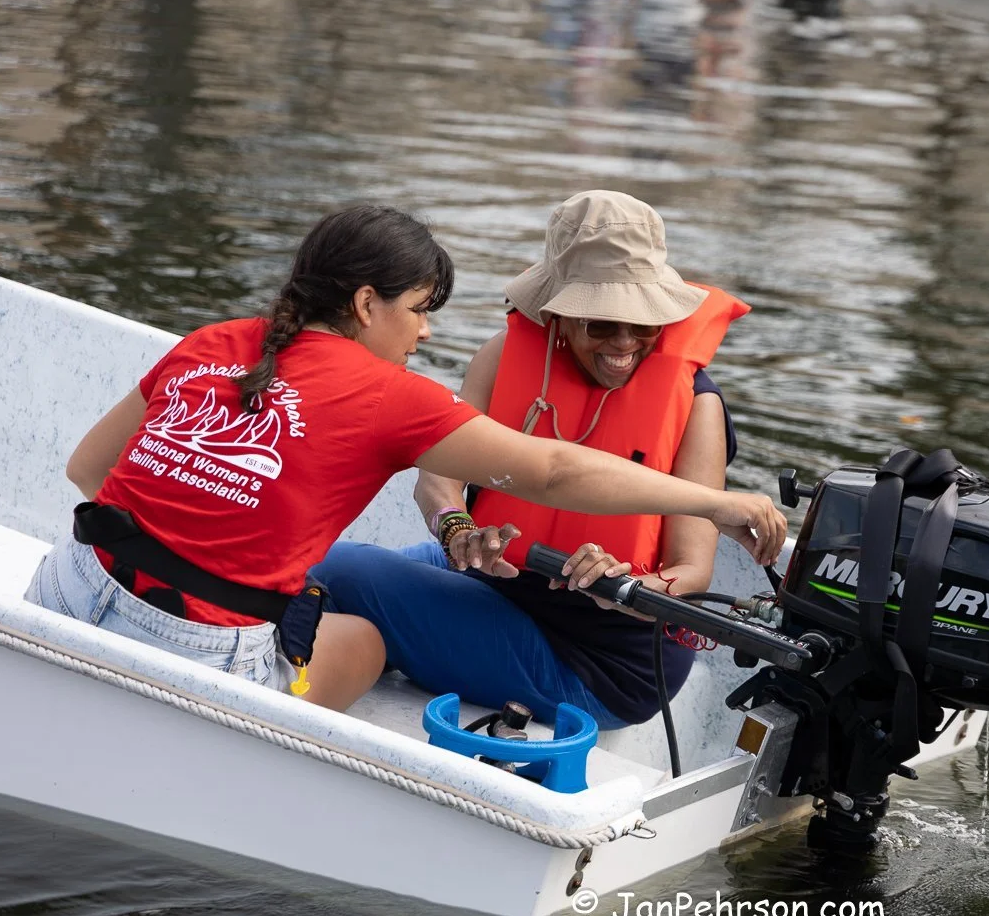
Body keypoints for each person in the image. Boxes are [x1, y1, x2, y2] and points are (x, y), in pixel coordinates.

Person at [25, 203, 785, 712]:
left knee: (336, 575)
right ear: (366, 304)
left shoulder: (214, 339)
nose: (426, 333)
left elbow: (88, 470)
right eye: (420, 310)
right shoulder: (394, 395)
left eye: (641, 325)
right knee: (358, 633)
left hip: (66, 585)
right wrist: (723, 504)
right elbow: (552, 472)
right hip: (200, 648)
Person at [313, 190, 752, 730]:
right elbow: (437, 479)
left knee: (342, 572)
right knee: (317, 568)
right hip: (498, 584)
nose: (624, 343)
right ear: (557, 314)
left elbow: (692, 574)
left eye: (644, 325)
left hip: (597, 664)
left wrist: (623, 589)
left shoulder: (697, 405)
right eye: (600, 325)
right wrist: (456, 528)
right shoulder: (504, 357)